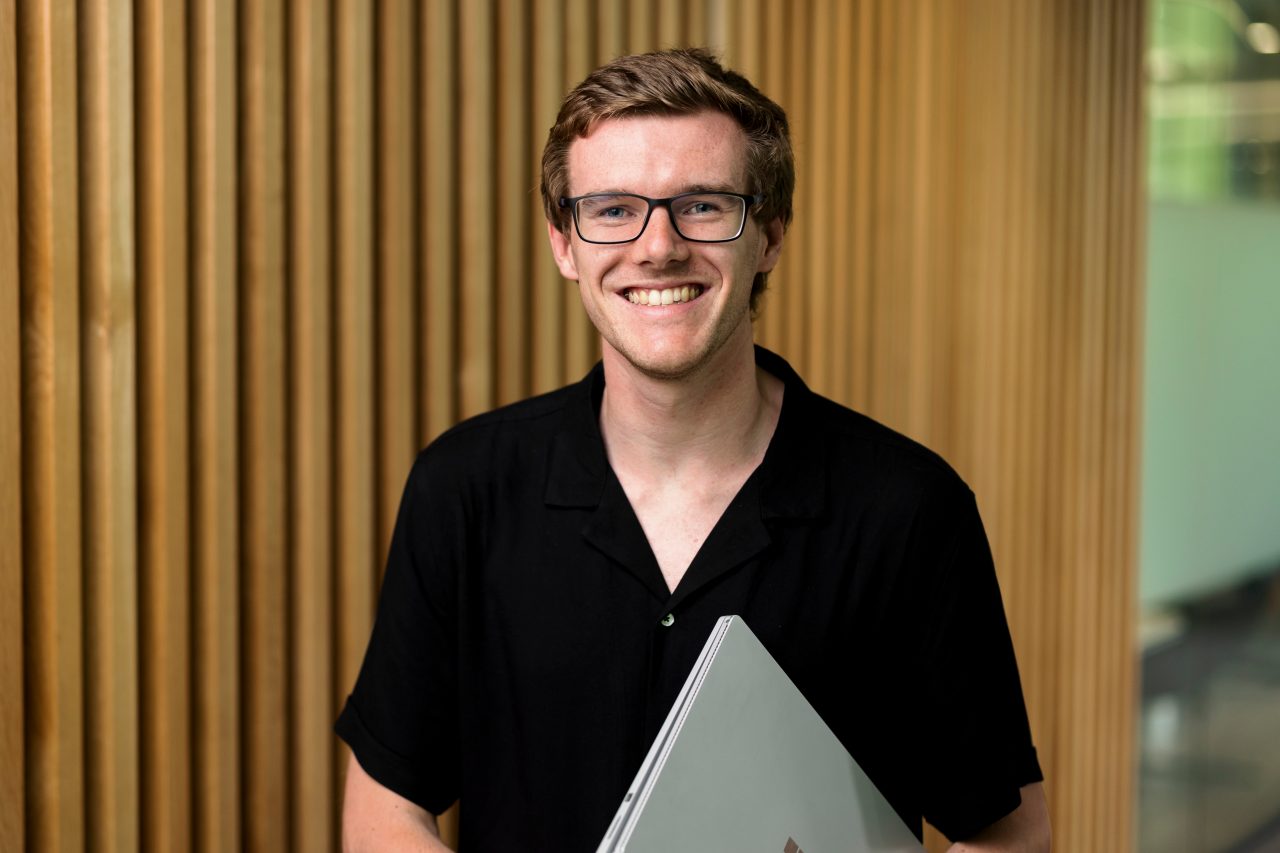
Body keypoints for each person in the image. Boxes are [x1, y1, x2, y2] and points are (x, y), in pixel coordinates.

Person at [337, 48, 1050, 852]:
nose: (657, 247)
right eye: (612, 210)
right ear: (564, 244)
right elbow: (385, 804)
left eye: (703, 206)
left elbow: (1011, 831)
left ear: (771, 235)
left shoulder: (911, 510)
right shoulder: (463, 487)